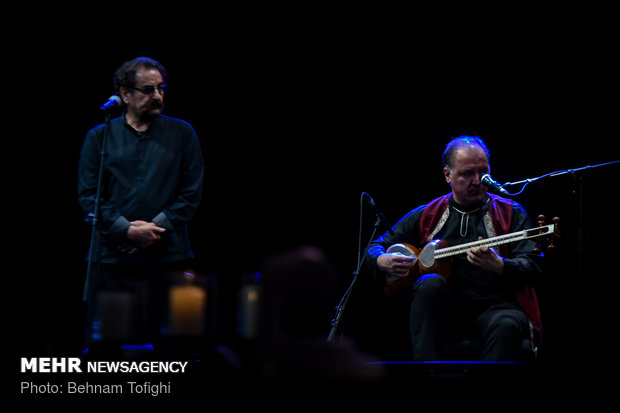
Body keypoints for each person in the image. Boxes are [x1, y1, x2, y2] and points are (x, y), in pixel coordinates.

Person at [367, 136, 542, 361]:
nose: (478, 181)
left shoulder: (511, 213)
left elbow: (533, 265)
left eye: (483, 172)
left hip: (496, 306)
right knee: (429, 284)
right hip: (447, 308)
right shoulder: (429, 214)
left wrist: (501, 266)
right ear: (447, 175)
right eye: (468, 174)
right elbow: (376, 246)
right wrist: (381, 260)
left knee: (507, 324)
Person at [78, 57, 204, 344]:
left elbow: (190, 194)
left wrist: (151, 231)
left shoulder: (182, 133)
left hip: (167, 256)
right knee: (109, 346)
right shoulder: (99, 137)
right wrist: (126, 229)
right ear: (125, 94)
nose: (157, 96)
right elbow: (89, 196)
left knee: (171, 346)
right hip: (111, 258)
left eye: (161, 88)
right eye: (148, 90)